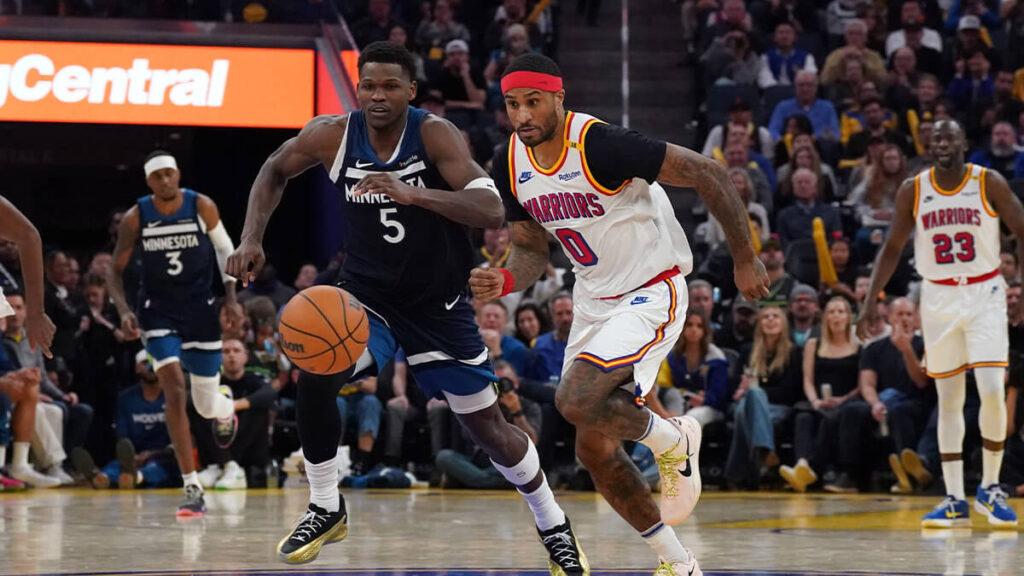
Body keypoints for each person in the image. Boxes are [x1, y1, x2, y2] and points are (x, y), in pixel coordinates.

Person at [225, 43, 586, 572]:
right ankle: (326, 504)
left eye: (391, 86)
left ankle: (553, 523)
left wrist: (414, 194)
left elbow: (490, 206)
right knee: (316, 369)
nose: (378, 95)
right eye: (369, 84)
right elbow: (274, 168)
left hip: (438, 305)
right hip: (367, 300)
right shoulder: (332, 134)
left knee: (490, 432)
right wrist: (251, 236)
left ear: (411, 90)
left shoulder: (435, 133)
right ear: (357, 87)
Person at [471, 52, 770, 576]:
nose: (522, 115)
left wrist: (745, 256)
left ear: (559, 98)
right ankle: (678, 562)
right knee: (593, 448)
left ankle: (673, 437)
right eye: (513, 104)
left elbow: (708, 171)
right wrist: (508, 279)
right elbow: (530, 247)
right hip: (593, 300)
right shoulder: (509, 160)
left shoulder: (599, 143)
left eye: (533, 101)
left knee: (574, 399)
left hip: (651, 290)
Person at [858, 119, 1022, 527]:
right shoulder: (914, 188)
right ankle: (953, 498)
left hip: (984, 293)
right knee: (947, 398)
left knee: (990, 391)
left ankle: (989, 487)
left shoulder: (990, 182)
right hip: (937, 297)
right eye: (936, 138)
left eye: (950, 136)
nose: (943, 143)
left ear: (965, 142)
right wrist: (868, 301)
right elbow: (893, 246)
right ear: (928, 146)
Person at [107, 150, 241, 517]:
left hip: (201, 310)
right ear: (149, 182)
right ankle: (192, 487)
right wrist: (122, 310)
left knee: (205, 405)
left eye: (170, 174)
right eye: (157, 176)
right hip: (157, 311)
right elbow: (113, 271)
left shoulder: (202, 205)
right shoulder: (137, 217)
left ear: (178, 175)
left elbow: (225, 249)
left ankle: (225, 405)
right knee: (174, 390)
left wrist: (230, 297)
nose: (165, 181)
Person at [725, 306, 802, 488]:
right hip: (744, 402)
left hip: (778, 406)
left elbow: (791, 392)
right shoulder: (747, 351)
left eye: (775, 316)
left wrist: (756, 392)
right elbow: (733, 387)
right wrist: (741, 389)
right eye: (765, 316)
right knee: (745, 405)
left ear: (784, 324)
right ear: (759, 324)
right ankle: (765, 454)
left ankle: (738, 472)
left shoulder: (794, 352)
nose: (770, 319)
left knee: (745, 411)